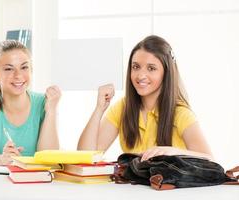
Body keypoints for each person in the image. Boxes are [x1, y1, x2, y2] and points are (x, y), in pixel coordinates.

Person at [78, 35, 213, 161]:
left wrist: (173, 151)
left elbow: (210, 160)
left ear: (166, 73)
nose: (140, 75)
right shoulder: (123, 108)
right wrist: (99, 109)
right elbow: (85, 157)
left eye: (151, 68)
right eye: (136, 67)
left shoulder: (180, 113)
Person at [0, 40, 61, 166]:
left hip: (36, 181)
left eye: (24, 67)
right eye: (9, 69)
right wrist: (2, 159)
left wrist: (51, 110)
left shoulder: (44, 102)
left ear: (31, 70)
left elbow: (50, 159)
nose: (18, 75)